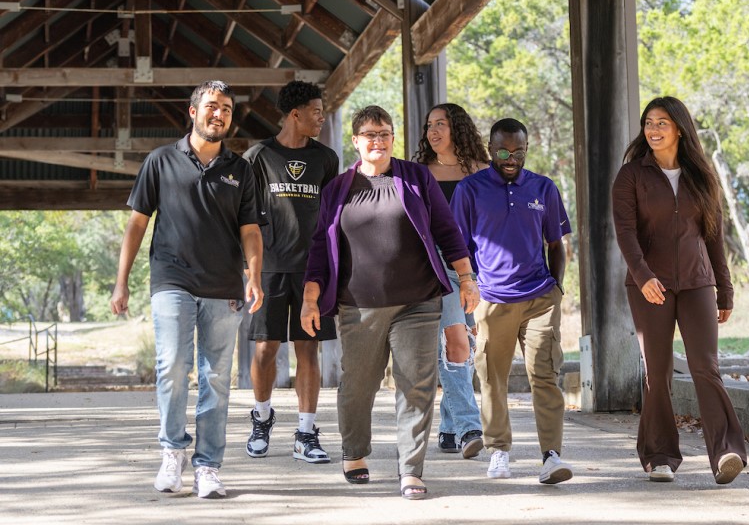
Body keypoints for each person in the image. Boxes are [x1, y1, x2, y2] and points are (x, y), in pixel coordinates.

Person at [300, 105, 480, 500]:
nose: (377, 141)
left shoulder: (415, 178)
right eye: (370, 135)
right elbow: (319, 248)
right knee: (358, 385)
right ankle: (355, 453)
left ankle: (410, 470)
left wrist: (466, 279)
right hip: (357, 305)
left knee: (415, 386)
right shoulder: (338, 188)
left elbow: (447, 230)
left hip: (418, 301)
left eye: (385, 134)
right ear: (355, 141)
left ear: (393, 138)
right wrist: (310, 299)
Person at [110, 80, 264, 498]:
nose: (220, 114)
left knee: (216, 379)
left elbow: (250, 231)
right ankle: (171, 451)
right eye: (212, 106)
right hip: (171, 279)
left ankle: (208, 466)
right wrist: (121, 281)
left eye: (227, 109)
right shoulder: (160, 161)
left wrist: (254, 274)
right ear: (193, 112)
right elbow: (137, 223)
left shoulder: (241, 170)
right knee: (173, 365)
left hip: (223, 285)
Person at [611, 96, 747, 484]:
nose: (653, 130)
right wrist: (643, 275)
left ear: (680, 129)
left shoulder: (702, 175)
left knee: (707, 368)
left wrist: (725, 289)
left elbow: (715, 236)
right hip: (648, 286)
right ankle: (659, 455)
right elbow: (625, 234)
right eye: (648, 123)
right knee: (658, 370)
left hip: (697, 282)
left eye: (662, 123)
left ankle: (726, 453)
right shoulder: (631, 176)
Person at [450, 118, 574, 484]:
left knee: (545, 375)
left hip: (539, 297)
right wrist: (469, 287)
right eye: (503, 151)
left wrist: (558, 287)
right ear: (490, 149)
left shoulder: (543, 188)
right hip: (492, 299)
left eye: (518, 152)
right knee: (492, 379)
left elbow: (556, 244)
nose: (510, 158)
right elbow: (459, 247)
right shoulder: (470, 190)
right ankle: (499, 451)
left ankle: (551, 456)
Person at [242, 81, 339, 463]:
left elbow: (334, 216)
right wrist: (248, 271)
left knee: (308, 348)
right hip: (270, 267)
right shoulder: (257, 156)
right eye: (316, 111)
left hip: (313, 268)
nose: (322, 117)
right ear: (295, 114)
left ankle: (305, 433)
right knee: (266, 348)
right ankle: (262, 418)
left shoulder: (326, 159)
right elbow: (245, 218)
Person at [413, 103, 487, 459]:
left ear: (458, 127)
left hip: (474, 269)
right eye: (429, 125)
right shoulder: (419, 173)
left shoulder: (483, 172)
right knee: (455, 339)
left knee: (466, 345)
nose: (433, 131)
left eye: (440, 124)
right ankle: (470, 426)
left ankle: (447, 427)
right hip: (436, 266)